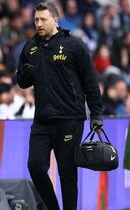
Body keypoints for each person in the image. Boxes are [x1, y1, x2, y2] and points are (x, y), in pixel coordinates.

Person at [16, 2, 103, 210]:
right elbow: (22, 82)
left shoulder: (74, 45)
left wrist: (96, 114)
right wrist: (25, 76)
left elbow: (90, 81)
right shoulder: (30, 48)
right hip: (42, 121)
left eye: (43, 19)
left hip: (69, 119)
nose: (39, 23)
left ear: (56, 20)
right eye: (36, 19)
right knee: (35, 166)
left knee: (67, 171)